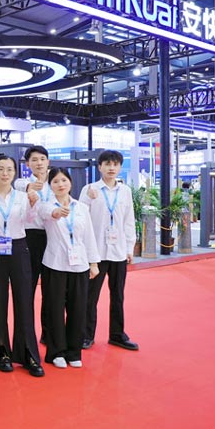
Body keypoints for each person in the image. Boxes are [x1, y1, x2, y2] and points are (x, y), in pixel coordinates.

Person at [0, 155, 45, 377]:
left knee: (24, 301)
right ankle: (1, 351)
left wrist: (33, 204)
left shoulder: (23, 197)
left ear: (15, 173)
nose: (5, 173)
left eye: (9, 169)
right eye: (1, 169)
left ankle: (29, 353)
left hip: (19, 247)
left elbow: (30, 220)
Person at [37, 167, 100, 369]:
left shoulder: (81, 208)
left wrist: (93, 262)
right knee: (54, 310)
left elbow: (89, 236)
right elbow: (47, 214)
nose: (60, 184)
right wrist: (56, 212)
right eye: (55, 181)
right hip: (55, 265)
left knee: (78, 309)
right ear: (50, 186)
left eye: (64, 180)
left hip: (79, 264)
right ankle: (56, 352)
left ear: (70, 183)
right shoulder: (46, 206)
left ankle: (74, 351)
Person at [79, 150, 139, 351]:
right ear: (100, 167)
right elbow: (79, 218)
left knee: (118, 296)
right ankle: (86, 335)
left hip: (119, 251)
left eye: (115, 164)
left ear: (120, 167)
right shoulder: (89, 189)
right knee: (90, 296)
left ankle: (117, 335)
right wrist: (88, 200)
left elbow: (129, 220)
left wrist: (129, 247)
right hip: (95, 253)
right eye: (107, 164)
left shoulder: (125, 191)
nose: (111, 168)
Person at [17, 145, 51, 342]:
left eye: (42, 159)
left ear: (48, 162)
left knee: (51, 289)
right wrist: (30, 188)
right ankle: (25, 335)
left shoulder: (56, 183)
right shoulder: (22, 184)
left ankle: (48, 333)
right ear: (28, 164)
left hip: (53, 237)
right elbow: (20, 185)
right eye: (34, 160)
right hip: (30, 238)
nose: (39, 163)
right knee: (27, 289)